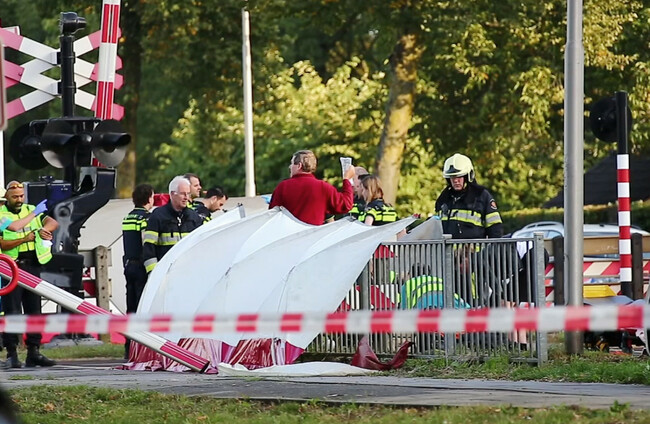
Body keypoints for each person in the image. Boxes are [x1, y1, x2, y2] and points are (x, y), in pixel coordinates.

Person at [0, 181, 58, 368]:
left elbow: (52, 222)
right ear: (6, 197)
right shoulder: (1, 214)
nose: (19, 200)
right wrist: (26, 238)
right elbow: (8, 236)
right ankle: (12, 353)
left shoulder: (30, 209)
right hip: (11, 268)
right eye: (15, 197)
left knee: (34, 310)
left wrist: (45, 230)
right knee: (12, 311)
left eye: (21, 196)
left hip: (32, 266)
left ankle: (34, 352)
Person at [269, 150, 355, 225]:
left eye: (292, 163)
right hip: (313, 236)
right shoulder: (323, 187)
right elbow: (346, 205)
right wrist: (347, 179)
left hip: (288, 236)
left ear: (299, 166)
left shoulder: (283, 187)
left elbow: (272, 215)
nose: (290, 167)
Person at [143, 176, 203, 273]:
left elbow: (200, 246)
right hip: (165, 273)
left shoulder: (194, 217)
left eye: (188, 194)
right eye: (182, 194)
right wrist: (153, 273)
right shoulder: (158, 216)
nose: (186, 198)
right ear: (172, 194)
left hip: (189, 272)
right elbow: (149, 247)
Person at [435, 153, 503, 239]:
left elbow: (495, 228)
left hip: (474, 248)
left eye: (459, 176)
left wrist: (493, 247)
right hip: (447, 248)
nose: (455, 180)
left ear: (468, 176)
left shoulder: (481, 196)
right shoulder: (443, 199)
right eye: (452, 177)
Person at [122, 183, 154, 359]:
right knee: (142, 307)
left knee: (131, 307)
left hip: (129, 265)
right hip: (141, 266)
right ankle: (142, 347)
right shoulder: (145, 218)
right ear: (149, 198)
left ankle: (128, 346)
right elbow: (145, 241)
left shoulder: (128, 217)